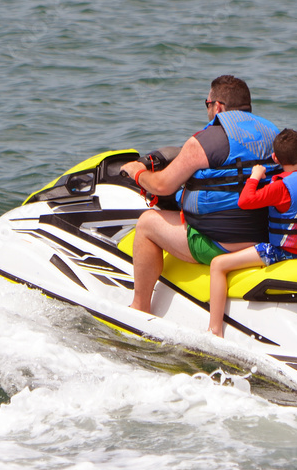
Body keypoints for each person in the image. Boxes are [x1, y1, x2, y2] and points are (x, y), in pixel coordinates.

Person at [120, 75, 280, 313]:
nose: (207, 110)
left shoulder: (206, 141)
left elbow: (162, 185)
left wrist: (137, 173)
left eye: (207, 104)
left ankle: (140, 308)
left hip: (222, 242)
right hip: (266, 237)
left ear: (219, 106)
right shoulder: (274, 134)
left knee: (146, 224)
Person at [207, 128, 297, 337]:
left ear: (275, 158)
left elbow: (245, 201)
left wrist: (255, 176)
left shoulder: (280, 187)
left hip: (284, 254)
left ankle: (214, 330)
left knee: (218, 265)